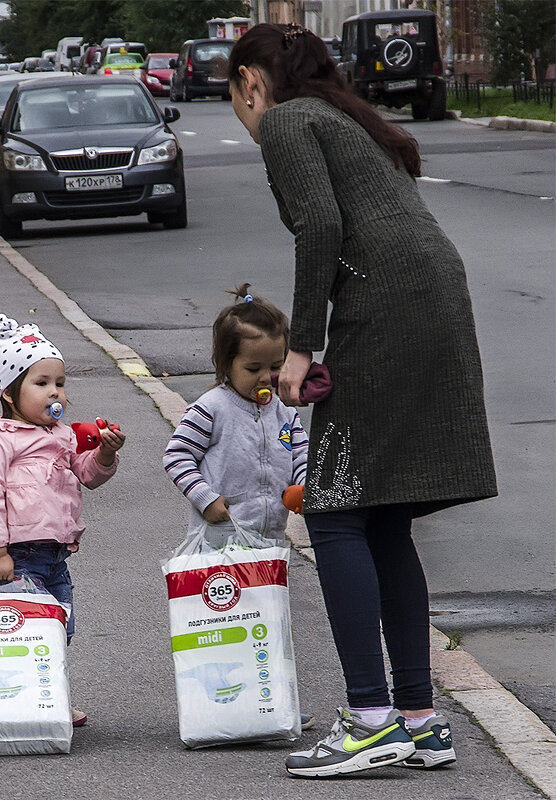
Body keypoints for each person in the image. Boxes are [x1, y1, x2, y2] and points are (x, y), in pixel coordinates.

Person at [227, 23, 497, 778]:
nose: (240, 113)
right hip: (432, 295)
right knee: (383, 517)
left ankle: (372, 719)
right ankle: (420, 719)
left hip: (387, 309)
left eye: (233, 97)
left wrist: (302, 346)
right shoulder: (342, 117)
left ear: (251, 80)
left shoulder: (286, 119)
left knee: (337, 508)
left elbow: (321, 225)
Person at [0, 313, 126, 727]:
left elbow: (88, 477)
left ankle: (50, 695)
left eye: (60, 383)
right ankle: (21, 697)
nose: (55, 392)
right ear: (10, 394)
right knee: (25, 628)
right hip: (19, 553)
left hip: (54, 556)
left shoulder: (63, 436)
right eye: (42, 383)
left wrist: (105, 454)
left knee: (60, 626)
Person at [163, 284, 315, 731]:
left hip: (268, 541)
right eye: (253, 368)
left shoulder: (284, 413)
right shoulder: (211, 408)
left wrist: (304, 485)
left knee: (271, 624)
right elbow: (177, 455)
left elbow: (301, 452)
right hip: (222, 541)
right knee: (229, 626)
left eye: (274, 367)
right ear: (225, 365)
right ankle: (224, 705)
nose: (265, 377)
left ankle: (276, 701)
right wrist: (205, 498)